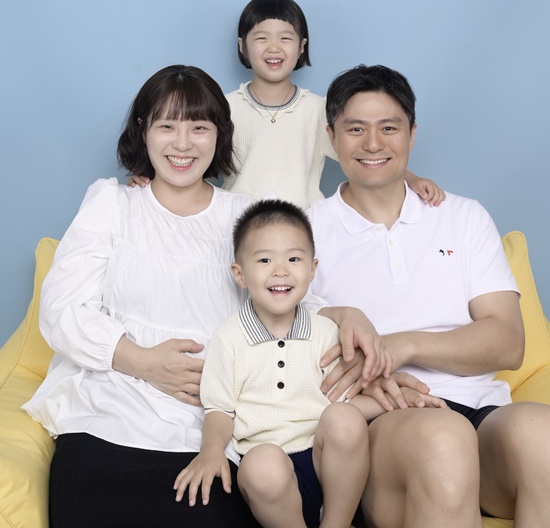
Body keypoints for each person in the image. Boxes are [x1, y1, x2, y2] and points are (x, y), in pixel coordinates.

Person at [22, 64, 388, 528]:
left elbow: (286, 299)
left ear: (219, 135)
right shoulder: (112, 204)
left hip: (211, 427)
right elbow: (61, 309)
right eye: (166, 126)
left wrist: (346, 316)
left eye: (199, 127)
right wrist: (142, 361)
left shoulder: (244, 216)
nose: (183, 143)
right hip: (108, 413)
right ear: (143, 130)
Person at [309, 63, 550, 528]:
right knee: (443, 437)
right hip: (385, 420)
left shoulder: (463, 216)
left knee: (543, 434)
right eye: (356, 129)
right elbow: (287, 341)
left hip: (481, 411)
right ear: (332, 137)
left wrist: (403, 345)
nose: (373, 144)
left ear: (412, 134)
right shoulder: (305, 231)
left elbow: (508, 343)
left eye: (389, 128)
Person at [173, 199, 446, 528]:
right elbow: (219, 409)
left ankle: (336, 523)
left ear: (312, 269)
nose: (281, 270)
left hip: (328, 466)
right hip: (271, 475)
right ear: (240, 274)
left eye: (293, 259)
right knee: (261, 464)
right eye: (264, 260)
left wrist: (404, 400)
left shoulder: (325, 332)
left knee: (344, 418)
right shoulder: (229, 339)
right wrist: (211, 451)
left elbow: (348, 399)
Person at [222, 0, 445, 210]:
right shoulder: (225, 107)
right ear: (242, 46)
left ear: (301, 47)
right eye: (261, 38)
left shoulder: (319, 110)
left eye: (285, 38)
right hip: (235, 224)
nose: (274, 47)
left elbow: (368, 155)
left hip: (302, 225)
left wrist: (412, 180)